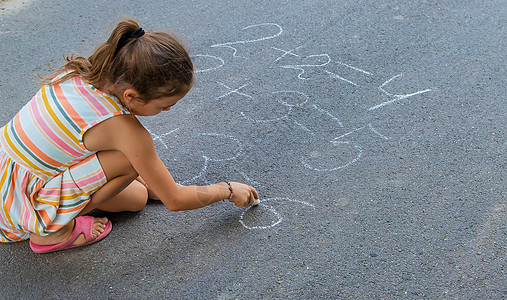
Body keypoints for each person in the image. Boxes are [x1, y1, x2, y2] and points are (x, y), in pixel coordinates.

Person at [0, 18, 258, 253]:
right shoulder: (123, 129)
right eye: (165, 105)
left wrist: (157, 184)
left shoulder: (78, 74)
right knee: (128, 162)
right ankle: (52, 231)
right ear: (131, 96)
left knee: (137, 198)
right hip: (15, 204)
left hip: (8, 172)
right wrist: (227, 190)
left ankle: (57, 209)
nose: (167, 111)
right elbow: (176, 200)